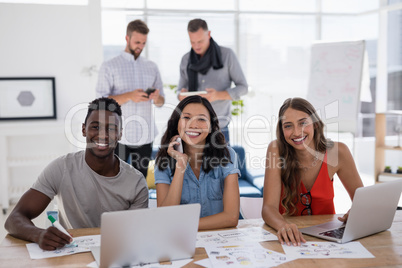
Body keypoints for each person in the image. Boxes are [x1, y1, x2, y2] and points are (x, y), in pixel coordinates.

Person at [4, 97, 149, 250]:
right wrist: (38, 234)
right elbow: (14, 219)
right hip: (69, 253)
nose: (103, 135)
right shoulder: (61, 168)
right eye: (95, 127)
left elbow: (135, 235)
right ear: (84, 129)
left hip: (115, 252)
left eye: (111, 129)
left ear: (120, 134)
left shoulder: (136, 183)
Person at [261, 97, 364, 246]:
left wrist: (354, 213)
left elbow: (362, 202)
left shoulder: (338, 152)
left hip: (329, 239)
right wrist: (283, 226)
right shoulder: (276, 149)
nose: (297, 132)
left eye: (303, 123)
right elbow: (268, 208)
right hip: (290, 239)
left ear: (315, 124)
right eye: (288, 126)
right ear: (281, 129)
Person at [154, 95, 240, 230]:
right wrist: (180, 165)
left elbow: (231, 217)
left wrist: (184, 226)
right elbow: (165, 217)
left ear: (211, 126)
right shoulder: (163, 161)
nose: (193, 125)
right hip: (180, 241)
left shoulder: (227, 155)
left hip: (220, 240)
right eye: (186, 117)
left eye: (201, 119)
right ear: (177, 123)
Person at [96, 19, 165, 178]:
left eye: (143, 43)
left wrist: (156, 97)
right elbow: (100, 102)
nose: (140, 46)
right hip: (118, 136)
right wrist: (129, 96)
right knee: (113, 180)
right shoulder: (109, 66)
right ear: (127, 39)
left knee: (139, 183)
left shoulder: (152, 67)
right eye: (137, 42)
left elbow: (161, 102)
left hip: (145, 135)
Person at [177, 18, 248, 143]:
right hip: (193, 129)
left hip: (220, 128)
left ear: (209, 34)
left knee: (221, 163)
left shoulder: (227, 55)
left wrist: (217, 95)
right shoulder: (185, 59)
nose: (196, 46)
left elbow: (243, 87)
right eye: (192, 42)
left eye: (200, 41)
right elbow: (179, 91)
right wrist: (181, 95)